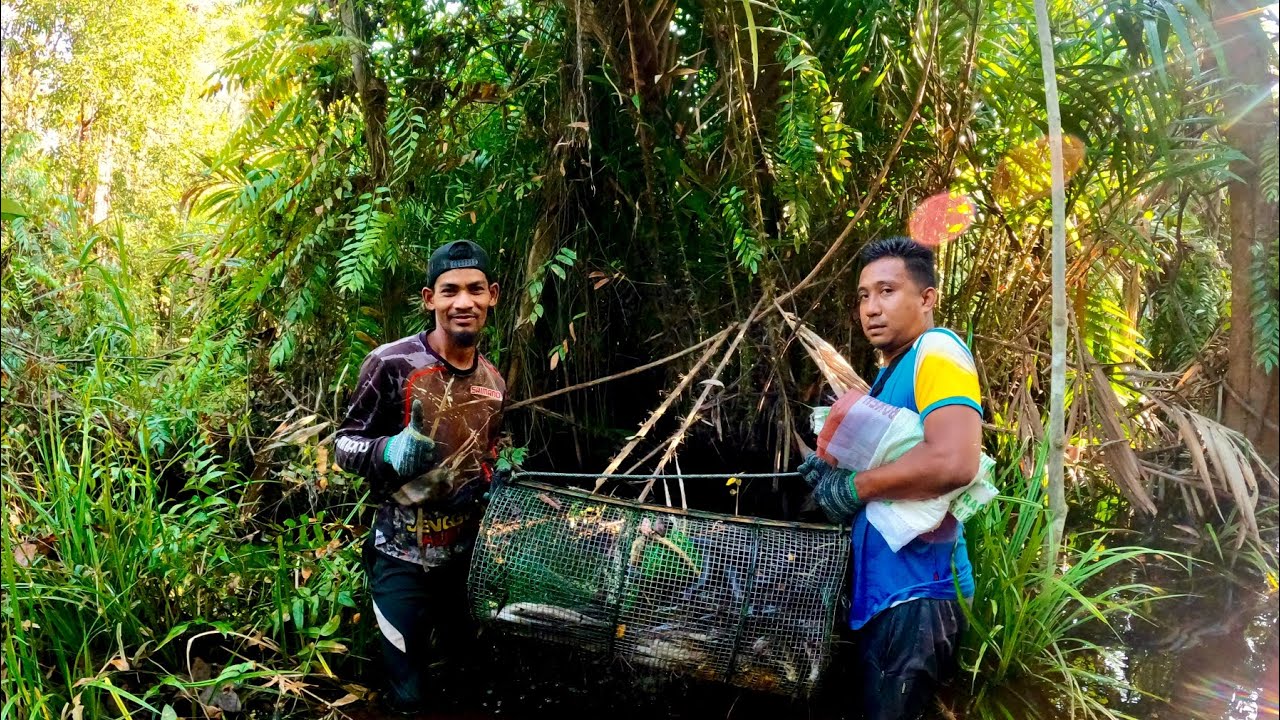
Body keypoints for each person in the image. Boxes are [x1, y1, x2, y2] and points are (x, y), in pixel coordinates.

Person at [797, 236, 981, 720]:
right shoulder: (893, 372)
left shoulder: (937, 351)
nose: (871, 308)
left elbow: (954, 461)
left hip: (918, 597)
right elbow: (897, 464)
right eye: (863, 296)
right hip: (890, 595)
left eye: (887, 291)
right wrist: (832, 474)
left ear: (926, 298)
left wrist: (854, 488)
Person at [335, 239, 506, 715]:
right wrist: (389, 450)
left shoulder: (494, 382)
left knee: (465, 680)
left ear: (492, 295)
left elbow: (487, 452)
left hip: (464, 561)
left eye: (475, 289)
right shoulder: (391, 363)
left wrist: (495, 474)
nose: (463, 302)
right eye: (450, 291)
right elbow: (344, 444)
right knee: (408, 697)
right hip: (400, 557)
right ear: (430, 299)